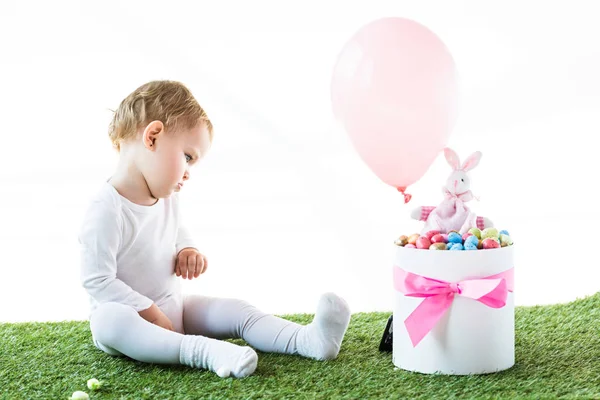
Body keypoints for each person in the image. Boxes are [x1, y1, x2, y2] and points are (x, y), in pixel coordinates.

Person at [78, 80, 351, 378]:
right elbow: (98, 281)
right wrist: (147, 310)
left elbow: (176, 231)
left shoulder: (167, 198)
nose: (188, 173)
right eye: (187, 157)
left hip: (174, 309)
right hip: (132, 323)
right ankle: (203, 351)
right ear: (153, 136)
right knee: (108, 320)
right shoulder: (107, 208)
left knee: (237, 311)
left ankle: (308, 341)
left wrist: (187, 249)